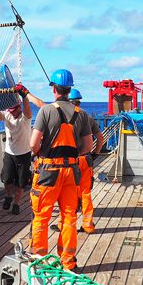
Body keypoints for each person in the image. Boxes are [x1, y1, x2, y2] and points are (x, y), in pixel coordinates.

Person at [28, 69, 93, 271]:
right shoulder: (81, 114)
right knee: (69, 217)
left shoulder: (46, 111)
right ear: (69, 89)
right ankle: (68, 262)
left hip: (48, 172)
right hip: (71, 172)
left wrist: (40, 152)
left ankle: (39, 260)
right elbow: (88, 146)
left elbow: (33, 144)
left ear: (54, 88)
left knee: (42, 216)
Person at [0, 86, 32, 214]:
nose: (13, 112)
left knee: (21, 183)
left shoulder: (25, 118)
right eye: (11, 110)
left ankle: (17, 204)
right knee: (7, 179)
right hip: (10, 154)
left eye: (15, 110)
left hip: (24, 154)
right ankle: (8, 197)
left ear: (19, 107)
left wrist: (24, 96)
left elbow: (27, 109)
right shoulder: (6, 115)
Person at [68, 88, 104, 233]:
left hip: (69, 162)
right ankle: (88, 225)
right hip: (86, 160)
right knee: (85, 193)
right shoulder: (87, 118)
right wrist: (95, 154)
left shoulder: (62, 118)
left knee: (67, 194)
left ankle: (64, 225)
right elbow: (100, 139)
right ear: (79, 101)